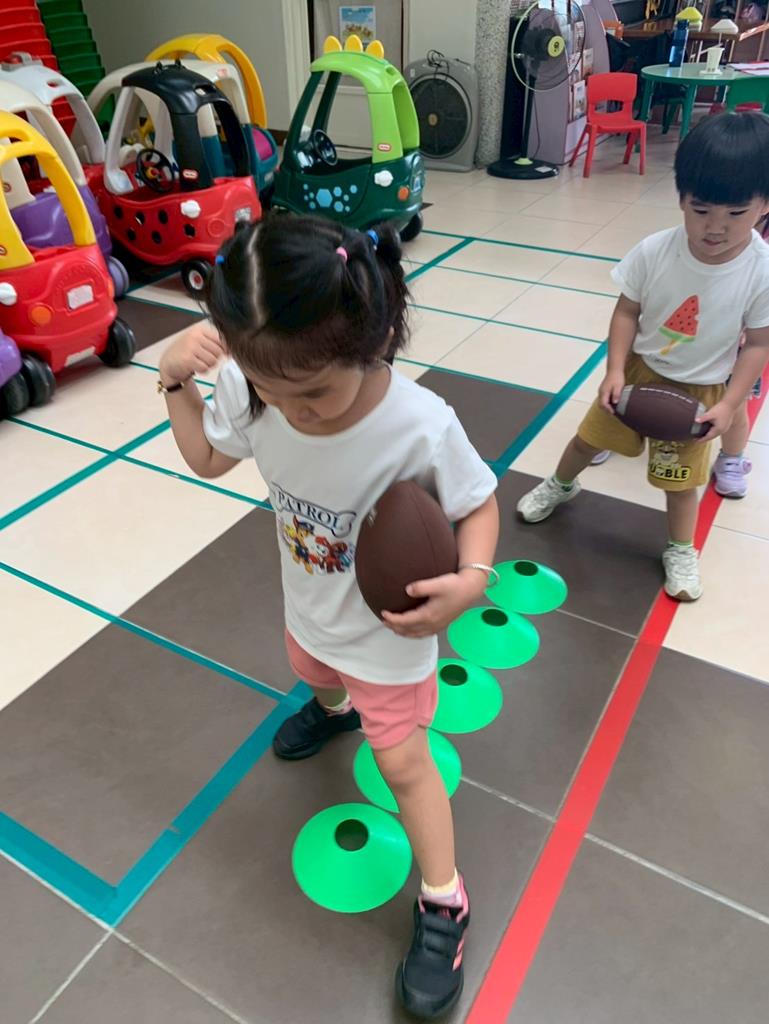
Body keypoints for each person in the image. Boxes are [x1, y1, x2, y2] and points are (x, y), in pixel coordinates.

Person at [157, 214, 499, 1019]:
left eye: (311, 393)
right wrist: (174, 381)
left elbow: (478, 504)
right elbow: (206, 458)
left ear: (367, 342)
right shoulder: (257, 388)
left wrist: (472, 581)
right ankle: (332, 709)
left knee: (403, 764)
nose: (293, 412)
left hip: (390, 638)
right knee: (310, 671)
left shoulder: (418, 423)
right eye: (270, 392)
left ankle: (444, 900)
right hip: (309, 609)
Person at [517, 112, 769, 601]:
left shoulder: (759, 271)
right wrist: (614, 369)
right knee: (585, 441)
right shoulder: (655, 251)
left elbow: (758, 344)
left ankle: (680, 549)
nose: (715, 227)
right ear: (680, 198)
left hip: (700, 393)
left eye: (736, 213)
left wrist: (729, 404)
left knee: (680, 484)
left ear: (764, 205)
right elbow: (626, 311)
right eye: (700, 210)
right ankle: (561, 484)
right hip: (638, 374)